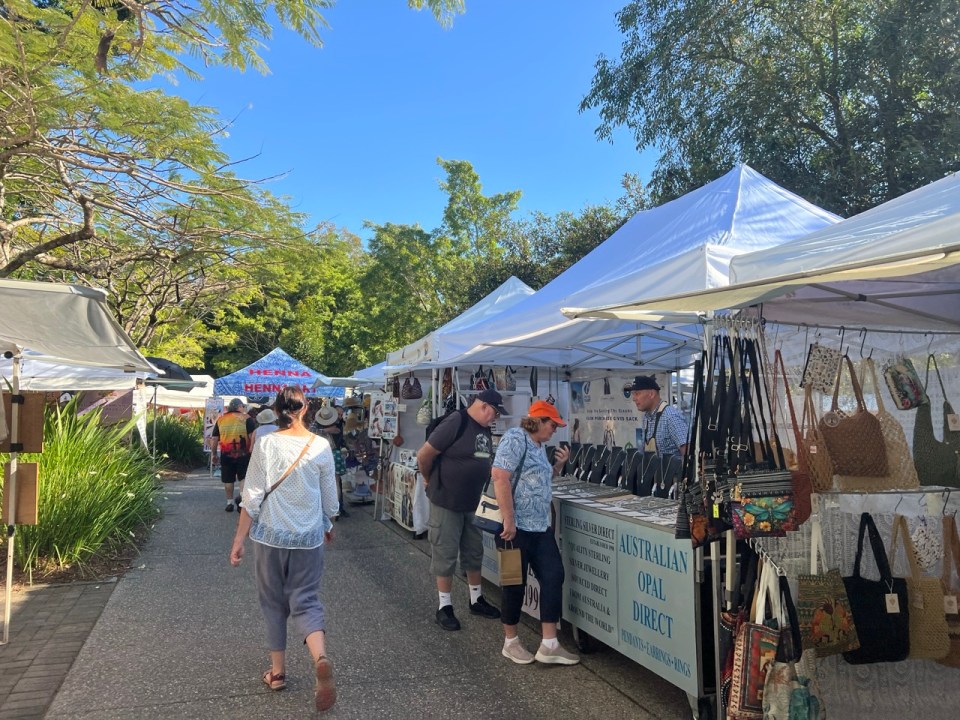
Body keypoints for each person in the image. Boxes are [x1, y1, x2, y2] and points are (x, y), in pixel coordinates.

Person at [229, 386, 340, 713]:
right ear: (305, 409)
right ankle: (320, 657)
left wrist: (238, 540)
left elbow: (251, 496)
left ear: (277, 410)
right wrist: (327, 525)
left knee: (274, 604)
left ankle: (277, 673)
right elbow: (330, 500)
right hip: (308, 538)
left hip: (270, 537)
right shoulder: (320, 445)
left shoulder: (265, 443)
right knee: (306, 600)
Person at [491, 400, 578, 665]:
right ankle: (511, 642)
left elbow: (536, 481)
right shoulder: (516, 438)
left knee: (553, 575)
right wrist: (509, 519)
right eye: (553, 425)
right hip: (513, 529)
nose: (555, 430)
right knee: (513, 583)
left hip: (540, 527)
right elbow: (499, 476)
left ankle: (549, 644)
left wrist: (557, 468)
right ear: (538, 420)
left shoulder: (539, 446)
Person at [416, 388, 507, 631]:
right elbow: (424, 454)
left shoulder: (484, 428)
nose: (495, 418)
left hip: (472, 502)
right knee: (445, 552)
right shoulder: (457, 420)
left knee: (473, 551)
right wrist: (428, 480)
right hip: (447, 500)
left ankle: (476, 599)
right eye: (495, 413)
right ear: (484, 406)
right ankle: (444, 606)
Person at [626, 375, 689, 457]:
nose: (634, 398)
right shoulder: (646, 417)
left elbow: (687, 453)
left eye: (637, 393)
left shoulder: (671, 417)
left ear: (651, 394)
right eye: (633, 394)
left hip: (670, 470)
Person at [212, 398, 256, 512]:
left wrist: (213, 454)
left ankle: (229, 502)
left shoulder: (221, 419)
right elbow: (252, 436)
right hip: (243, 454)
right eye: (243, 406)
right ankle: (242, 502)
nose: (244, 408)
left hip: (226, 454)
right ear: (239, 406)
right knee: (243, 478)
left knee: (228, 480)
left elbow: (215, 439)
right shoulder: (247, 419)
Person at [314, 405, 349, 518]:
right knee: (334, 481)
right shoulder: (334, 425)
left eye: (340, 414)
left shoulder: (337, 424)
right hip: (331, 453)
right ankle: (335, 509)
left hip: (324, 453)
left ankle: (336, 508)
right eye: (338, 414)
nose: (339, 416)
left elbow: (310, 432)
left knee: (333, 481)